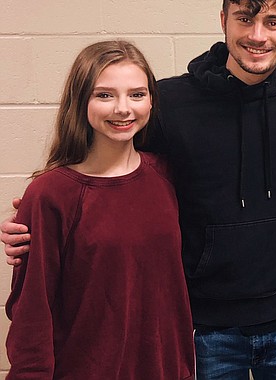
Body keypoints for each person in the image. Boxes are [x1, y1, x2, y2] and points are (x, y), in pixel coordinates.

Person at [2, 0, 276, 379]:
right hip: (204, 327)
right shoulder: (171, 102)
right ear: (223, 20)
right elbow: (113, 175)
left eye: (273, 21)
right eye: (244, 18)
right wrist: (40, 219)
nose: (257, 35)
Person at [5, 40, 194, 379]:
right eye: (104, 95)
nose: (123, 108)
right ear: (81, 102)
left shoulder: (168, 175)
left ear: (151, 100)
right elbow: (33, 312)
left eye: (136, 94)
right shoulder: (51, 194)